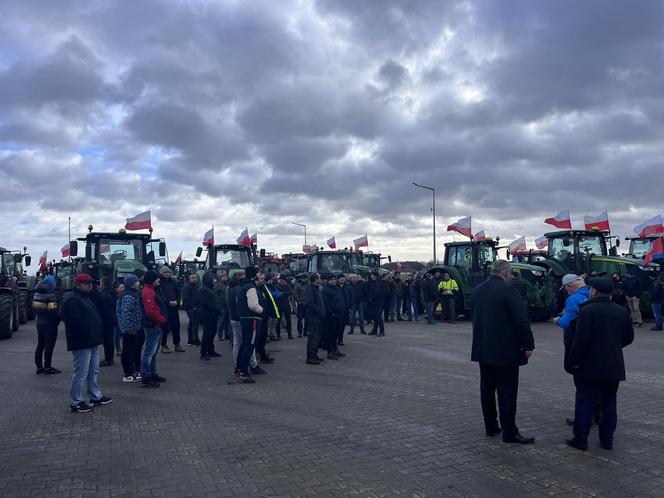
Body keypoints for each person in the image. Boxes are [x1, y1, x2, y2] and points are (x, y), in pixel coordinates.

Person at [566, 277, 634, 451]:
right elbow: (629, 338)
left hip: (589, 366)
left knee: (585, 402)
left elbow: (579, 342)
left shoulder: (587, 311)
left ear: (594, 291)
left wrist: (573, 362)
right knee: (609, 403)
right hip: (614, 365)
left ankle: (580, 439)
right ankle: (607, 440)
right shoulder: (621, 311)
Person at [470, 260, 535, 444]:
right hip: (506, 351)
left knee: (487, 389)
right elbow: (521, 320)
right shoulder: (509, 290)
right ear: (506, 273)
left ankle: (491, 426)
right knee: (507, 392)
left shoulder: (477, 290)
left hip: (484, 349)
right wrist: (528, 345)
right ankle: (510, 432)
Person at [63, 273, 112, 413]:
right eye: (86, 283)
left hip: (93, 341)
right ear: (78, 285)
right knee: (81, 373)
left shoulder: (86, 298)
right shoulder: (73, 300)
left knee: (93, 370)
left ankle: (95, 395)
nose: (90, 285)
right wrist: (89, 334)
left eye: (90, 282)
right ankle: (76, 402)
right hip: (82, 342)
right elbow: (76, 322)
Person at [553, 274, 590, 425]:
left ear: (570, 286)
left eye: (566, 288)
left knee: (581, 384)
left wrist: (558, 320)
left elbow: (567, 323)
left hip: (577, 345)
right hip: (594, 346)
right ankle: (596, 413)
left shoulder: (573, 299)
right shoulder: (593, 294)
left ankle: (583, 417)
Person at [228, 270, 264, 376]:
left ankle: (238, 369)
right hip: (252, 319)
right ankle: (243, 372)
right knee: (249, 346)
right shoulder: (250, 287)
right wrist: (261, 310)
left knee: (243, 345)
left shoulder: (240, 286)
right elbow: (253, 305)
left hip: (243, 318)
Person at [140, 270, 167, 387]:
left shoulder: (151, 290)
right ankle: (146, 376)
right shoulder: (148, 292)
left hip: (156, 325)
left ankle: (152, 373)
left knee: (153, 351)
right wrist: (162, 320)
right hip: (153, 325)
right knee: (149, 352)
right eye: (157, 278)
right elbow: (150, 311)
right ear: (152, 280)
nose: (159, 280)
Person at [32, 275, 61, 375]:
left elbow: (35, 309)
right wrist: (59, 317)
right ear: (52, 284)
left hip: (39, 323)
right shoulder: (51, 296)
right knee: (49, 346)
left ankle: (39, 367)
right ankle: (47, 367)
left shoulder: (36, 294)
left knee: (40, 345)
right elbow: (53, 312)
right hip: (50, 325)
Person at [116, 274, 142, 383]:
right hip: (129, 329)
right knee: (128, 350)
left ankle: (133, 371)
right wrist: (130, 328)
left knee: (131, 349)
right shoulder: (128, 296)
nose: (139, 282)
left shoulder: (132, 293)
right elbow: (126, 313)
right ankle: (128, 374)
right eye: (137, 281)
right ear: (132, 283)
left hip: (133, 327)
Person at [157, 266, 184, 353]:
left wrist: (177, 301)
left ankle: (177, 344)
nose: (167, 274)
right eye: (165, 272)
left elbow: (178, 293)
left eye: (169, 272)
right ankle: (163, 345)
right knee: (165, 327)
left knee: (176, 326)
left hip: (174, 307)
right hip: (164, 308)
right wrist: (168, 302)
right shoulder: (159, 283)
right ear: (161, 273)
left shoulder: (173, 282)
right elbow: (159, 296)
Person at [321, 274, 346, 359]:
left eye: (334, 279)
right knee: (330, 334)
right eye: (332, 280)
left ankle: (335, 349)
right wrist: (332, 313)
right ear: (328, 281)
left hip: (339, 314)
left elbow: (341, 300)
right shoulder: (325, 290)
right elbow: (326, 304)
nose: (334, 281)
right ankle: (330, 351)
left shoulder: (337, 289)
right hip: (331, 316)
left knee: (336, 333)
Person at [199, 272, 222, 360]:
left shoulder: (210, 289)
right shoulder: (203, 290)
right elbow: (206, 303)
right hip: (207, 315)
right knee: (207, 334)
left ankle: (211, 350)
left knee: (212, 333)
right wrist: (217, 309)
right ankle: (203, 352)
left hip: (213, 314)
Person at [305, 273, 326, 365]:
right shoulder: (311, 289)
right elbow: (310, 302)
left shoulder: (317, 288)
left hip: (319, 316)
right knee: (313, 337)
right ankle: (310, 357)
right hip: (314, 317)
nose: (320, 279)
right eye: (319, 278)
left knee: (317, 336)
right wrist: (318, 311)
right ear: (315, 279)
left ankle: (314, 354)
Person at [98, 277, 117, 366]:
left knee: (107, 339)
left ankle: (108, 359)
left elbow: (103, 307)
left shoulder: (104, 294)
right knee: (109, 339)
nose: (100, 284)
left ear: (104, 284)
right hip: (111, 318)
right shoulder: (112, 292)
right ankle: (109, 358)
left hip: (106, 319)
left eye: (101, 282)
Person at [182, 273, 202, 346]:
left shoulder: (196, 286)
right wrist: (193, 307)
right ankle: (195, 341)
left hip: (195, 307)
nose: (195, 279)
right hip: (192, 308)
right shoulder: (187, 287)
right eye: (192, 277)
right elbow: (186, 298)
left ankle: (190, 340)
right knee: (195, 324)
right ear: (189, 279)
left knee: (192, 324)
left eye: (196, 277)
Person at [275, 275, 293, 339]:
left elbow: (291, 292)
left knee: (288, 320)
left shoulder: (287, 285)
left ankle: (290, 334)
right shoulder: (277, 286)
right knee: (278, 321)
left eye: (282, 280)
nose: (280, 281)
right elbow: (278, 295)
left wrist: (283, 293)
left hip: (286, 305)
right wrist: (284, 294)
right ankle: (278, 335)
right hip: (279, 305)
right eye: (280, 280)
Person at [215, 271, 230, 341]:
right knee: (221, 320)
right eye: (223, 277)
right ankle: (220, 335)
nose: (225, 278)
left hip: (228, 305)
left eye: (226, 276)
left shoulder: (229, 284)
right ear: (221, 278)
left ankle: (227, 335)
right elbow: (215, 294)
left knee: (228, 321)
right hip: (222, 305)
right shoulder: (218, 285)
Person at [338, 275, 351, 345]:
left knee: (342, 325)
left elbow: (350, 296)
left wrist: (349, 306)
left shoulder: (347, 287)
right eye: (341, 278)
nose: (342, 279)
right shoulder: (336, 287)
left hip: (345, 309)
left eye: (343, 278)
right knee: (337, 326)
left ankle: (340, 339)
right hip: (338, 310)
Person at [113, 281, 124, 356]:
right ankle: (118, 349)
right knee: (117, 333)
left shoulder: (124, 295)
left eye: (123, 287)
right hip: (116, 317)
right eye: (121, 287)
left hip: (123, 317)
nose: (123, 288)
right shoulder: (114, 296)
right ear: (116, 289)